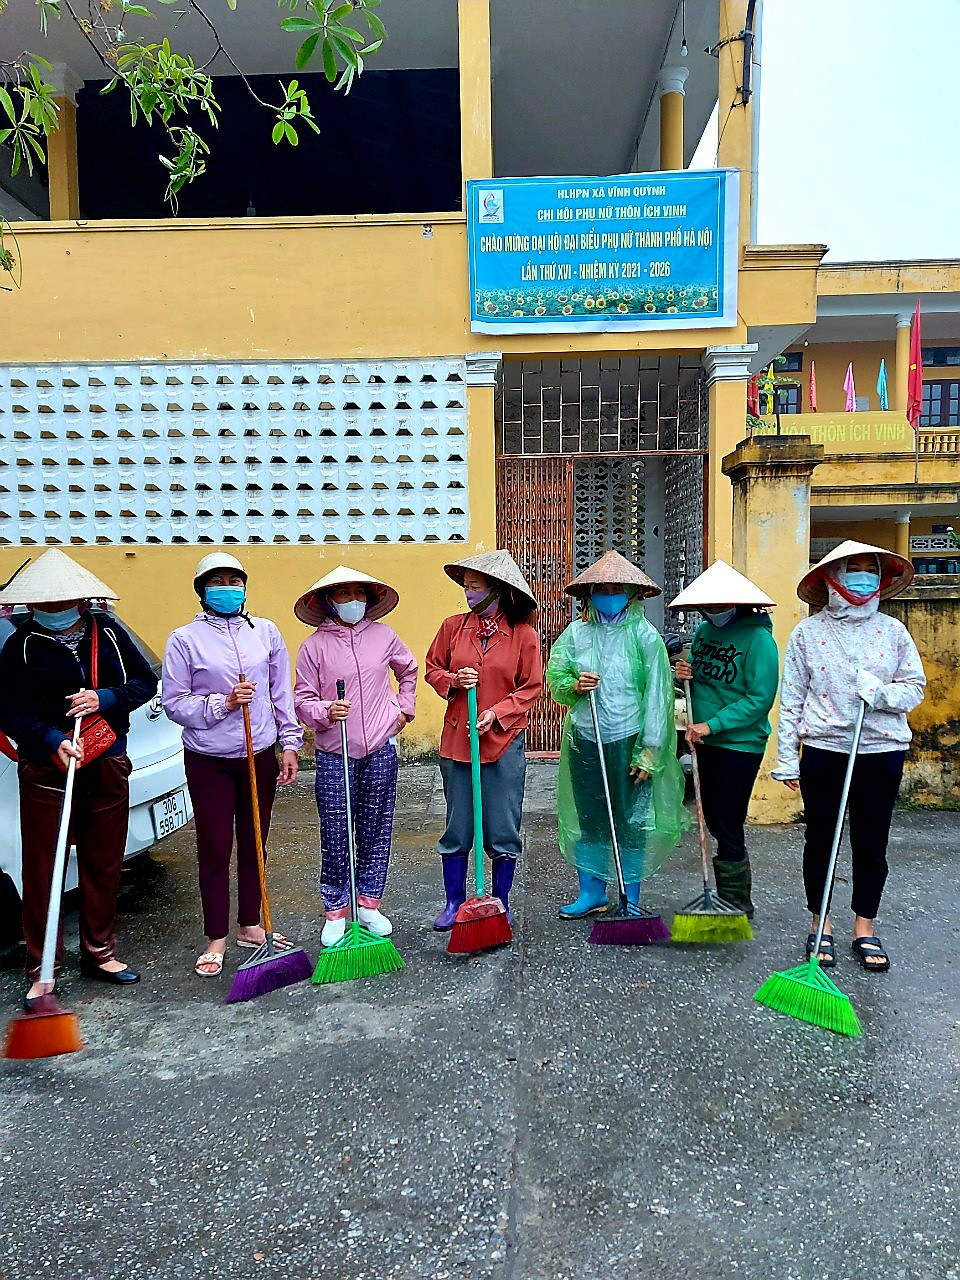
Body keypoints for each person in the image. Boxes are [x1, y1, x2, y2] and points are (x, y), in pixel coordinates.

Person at [0, 549, 158, 1006]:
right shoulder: (20, 645)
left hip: (107, 758)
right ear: (31, 605)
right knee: (44, 868)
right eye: (43, 603)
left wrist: (103, 698)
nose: (53, 609)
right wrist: (50, 740)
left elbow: (144, 684)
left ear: (79, 598)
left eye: (61, 601)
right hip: (47, 767)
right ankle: (41, 967)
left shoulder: (107, 633)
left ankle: (100, 952)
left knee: (104, 861)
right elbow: (7, 709)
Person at [771, 540, 925, 972]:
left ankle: (864, 925)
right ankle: (821, 923)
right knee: (822, 840)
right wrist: (786, 757)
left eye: (870, 569)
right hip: (825, 749)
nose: (863, 576)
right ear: (831, 579)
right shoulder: (808, 633)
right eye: (853, 569)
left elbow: (915, 688)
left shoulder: (894, 633)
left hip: (880, 750)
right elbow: (793, 699)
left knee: (871, 843)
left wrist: (880, 694)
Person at [162, 553, 303, 977]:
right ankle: (216, 937)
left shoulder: (266, 632)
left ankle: (250, 924)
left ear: (245, 585)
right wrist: (221, 703)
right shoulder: (184, 639)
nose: (227, 587)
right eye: (217, 581)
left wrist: (290, 743)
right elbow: (173, 703)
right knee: (215, 845)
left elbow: (281, 692)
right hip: (209, 758)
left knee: (254, 841)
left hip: (257, 753)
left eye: (234, 580)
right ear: (202, 590)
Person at [546, 549, 685, 919]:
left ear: (631, 592)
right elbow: (555, 680)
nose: (608, 595)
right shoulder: (576, 634)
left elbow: (657, 695)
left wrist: (651, 752)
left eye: (615, 587)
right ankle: (592, 891)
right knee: (590, 817)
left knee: (630, 820)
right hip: (586, 738)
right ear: (588, 595)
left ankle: (630, 894)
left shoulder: (645, 636)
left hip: (629, 738)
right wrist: (575, 685)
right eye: (601, 589)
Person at [293, 566, 417, 947]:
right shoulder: (314, 647)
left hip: (380, 746)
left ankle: (369, 904)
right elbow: (302, 699)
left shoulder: (384, 636)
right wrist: (326, 711)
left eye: (358, 594)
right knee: (335, 831)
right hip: (334, 751)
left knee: (375, 828)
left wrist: (402, 710)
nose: (352, 601)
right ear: (328, 602)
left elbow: (409, 671)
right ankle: (335, 910)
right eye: (343, 594)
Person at [425, 551, 542, 928]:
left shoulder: (524, 636)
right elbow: (432, 668)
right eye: (466, 587)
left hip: (503, 742)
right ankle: (453, 902)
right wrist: (453, 681)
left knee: (503, 827)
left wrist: (498, 713)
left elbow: (531, 687)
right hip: (459, 740)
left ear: (499, 592)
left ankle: (499, 903)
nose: (469, 594)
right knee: (458, 826)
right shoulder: (452, 627)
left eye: (476, 588)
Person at [670, 560, 779, 918]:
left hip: (739, 743)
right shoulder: (703, 632)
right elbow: (701, 680)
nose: (714, 612)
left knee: (727, 819)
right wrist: (684, 673)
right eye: (709, 606)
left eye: (721, 605)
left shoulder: (759, 640)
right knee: (713, 817)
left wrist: (712, 725)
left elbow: (759, 699)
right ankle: (727, 895)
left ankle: (736, 901)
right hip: (705, 739)